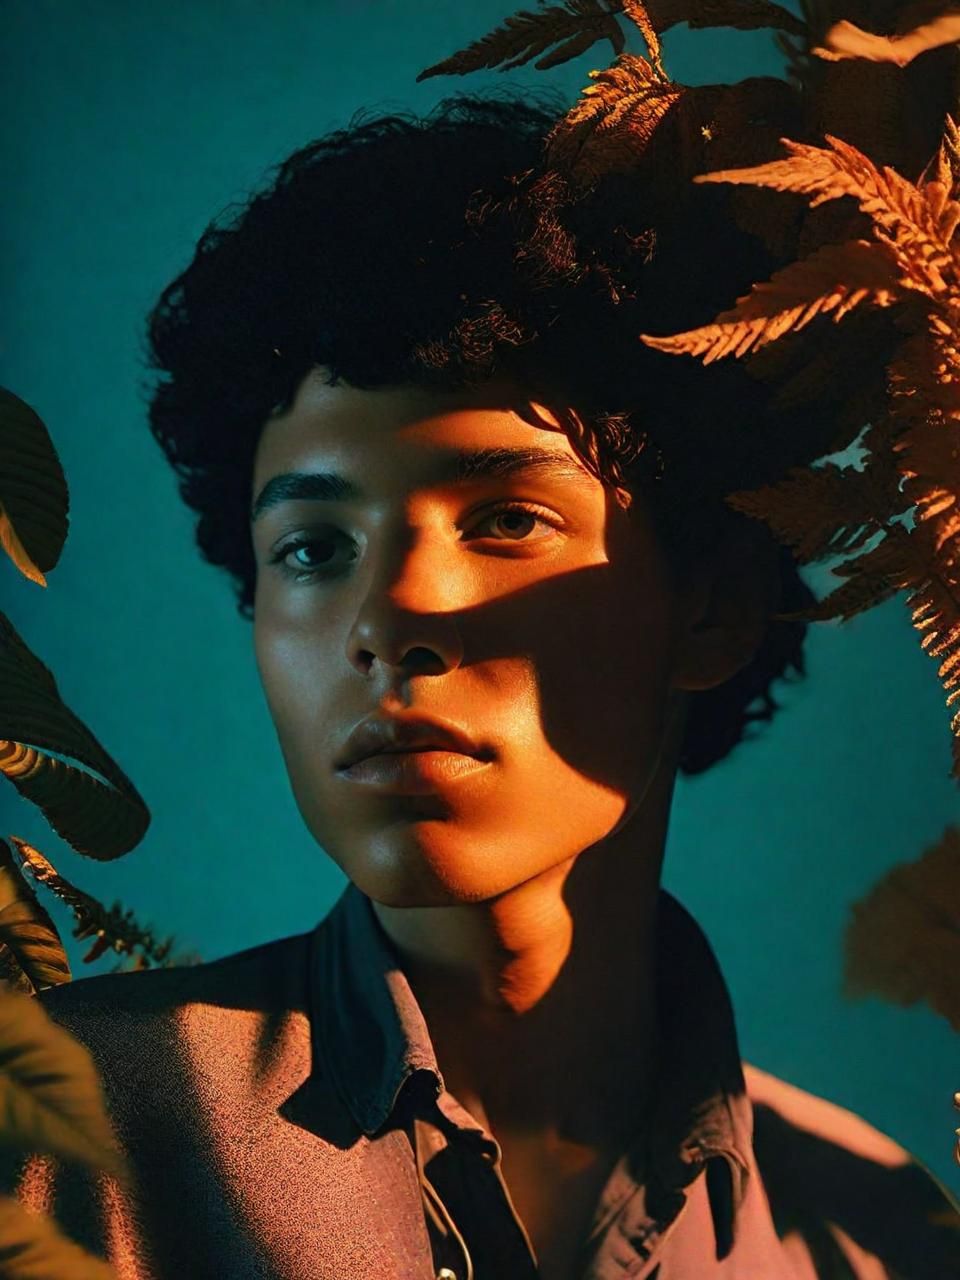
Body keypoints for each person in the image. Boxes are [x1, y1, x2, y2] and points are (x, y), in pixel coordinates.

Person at [6, 93, 960, 1280]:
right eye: (313, 548)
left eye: (507, 518)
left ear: (709, 604)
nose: (389, 616)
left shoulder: (879, 1237)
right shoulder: (63, 1146)